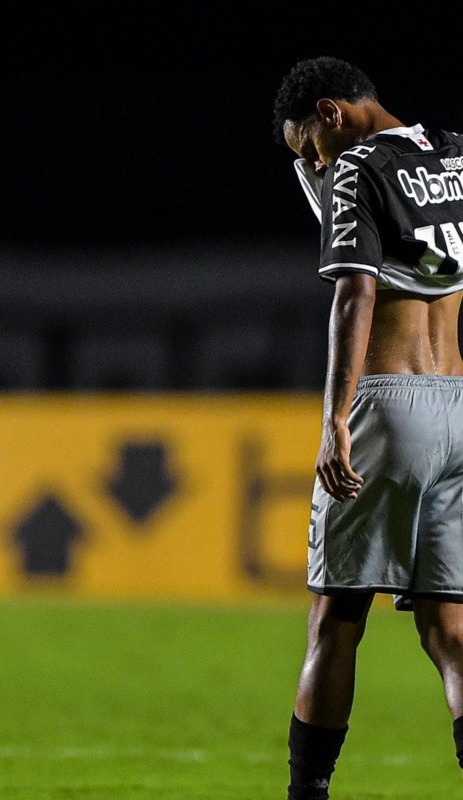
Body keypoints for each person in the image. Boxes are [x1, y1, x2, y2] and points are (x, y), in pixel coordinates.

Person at [272, 56, 463, 800]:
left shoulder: (354, 168)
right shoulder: (451, 153)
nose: (315, 163)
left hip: (387, 405)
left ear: (331, 112)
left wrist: (335, 424)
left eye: (307, 147)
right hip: (455, 401)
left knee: (336, 621)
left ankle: (306, 794)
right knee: (450, 631)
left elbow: (357, 291)